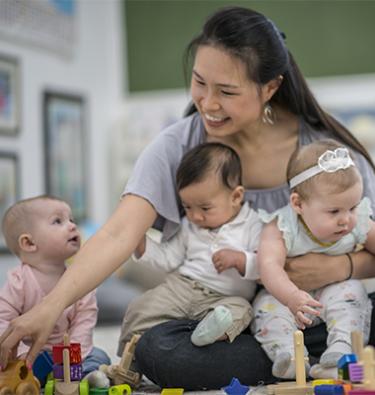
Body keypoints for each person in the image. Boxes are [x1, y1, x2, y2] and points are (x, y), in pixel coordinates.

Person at [1, 5, 375, 390]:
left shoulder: (326, 156)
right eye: (199, 83)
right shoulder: (176, 147)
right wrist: (49, 307)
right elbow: (118, 235)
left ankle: (326, 351)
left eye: (226, 91)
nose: (208, 103)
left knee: (359, 311)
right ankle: (316, 357)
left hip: (330, 309)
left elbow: (369, 244)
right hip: (238, 319)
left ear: (270, 87)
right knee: (156, 348)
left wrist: (338, 268)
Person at [118, 142, 262, 355]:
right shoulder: (189, 225)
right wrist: (142, 243)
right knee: (140, 307)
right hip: (183, 287)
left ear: (236, 197)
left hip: (225, 298)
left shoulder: (254, 224)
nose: (195, 216)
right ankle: (129, 363)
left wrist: (241, 260)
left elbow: (269, 265)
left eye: (205, 208)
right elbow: (169, 258)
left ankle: (210, 332)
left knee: (242, 312)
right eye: (187, 207)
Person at [252, 139, 375, 380]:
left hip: (335, 291)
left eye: (352, 207)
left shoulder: (358, 220)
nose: (346, 219)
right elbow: (268, 266)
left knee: (351, 293)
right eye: (334, 211)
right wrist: (290, 296)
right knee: (267, 308)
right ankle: (287, 355)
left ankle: (342, 348)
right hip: (290, 297)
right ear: (298, 204)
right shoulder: (282, 226)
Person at [0, 195, 110, 381]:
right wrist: (21, 355)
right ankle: (32, 375)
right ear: (29, 243)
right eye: (58, 221)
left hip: (68, 355)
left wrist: (74, 359)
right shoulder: (19, 281)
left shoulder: (81, 281)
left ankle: (84, 376)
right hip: (29, 355)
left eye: (71, 220)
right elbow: (4, 321)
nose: (72, 225)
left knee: (100, 357)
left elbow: (84, 323)